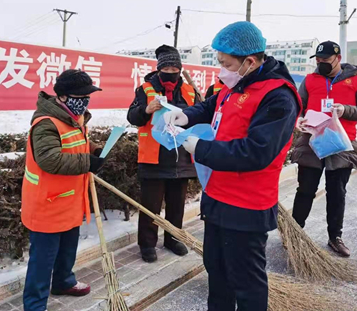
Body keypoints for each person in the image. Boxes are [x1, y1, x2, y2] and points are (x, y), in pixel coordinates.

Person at [165, 22, 301, 311]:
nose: (221, 70)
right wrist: (185, 116)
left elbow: (257, 152)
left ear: (250, 61)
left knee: (246, 282)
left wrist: (200, 148)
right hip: (217, 198)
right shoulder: (236, 85)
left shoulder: (278, 97)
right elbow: (211, 106)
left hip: (246, 206)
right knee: (217, 271)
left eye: (226, 64)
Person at [21, 69, 105, 311]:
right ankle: (34, 305)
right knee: (43, 259)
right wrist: (88, 162)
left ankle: (63, 282)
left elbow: (78, 145)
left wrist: (95, 151)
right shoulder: (45, 123)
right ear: (64, 97)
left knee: (68, 248)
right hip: (47, 203)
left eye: (88, 95)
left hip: (70, 199)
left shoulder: (75, 118)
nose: (86, 100)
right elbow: (50, 160)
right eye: (81, 96)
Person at [292, 41, 357, 257]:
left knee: (337, 193)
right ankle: (294, 233)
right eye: (318, 60)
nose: (321, 64)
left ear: (337, 58)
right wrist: (298, 119)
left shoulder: (356, 79)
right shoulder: (310, 80)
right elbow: (298, 105)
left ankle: (335, 237)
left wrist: (345, 110)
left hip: (341, 144)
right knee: (305, 190)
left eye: (325, 60)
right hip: (312, 141)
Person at [127, 44, 200, 263]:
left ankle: (173, 238)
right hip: (154, 157)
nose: (170, 72)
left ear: (180, 68)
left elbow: (199, 115)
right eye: (166, 68)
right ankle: (147, 244)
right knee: (151, 205)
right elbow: (132, 117)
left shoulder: (189, 91)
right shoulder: (145, 89)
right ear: (159, 69)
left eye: (174, 68)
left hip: (182, 155)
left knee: (177, 204)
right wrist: (145, 110)